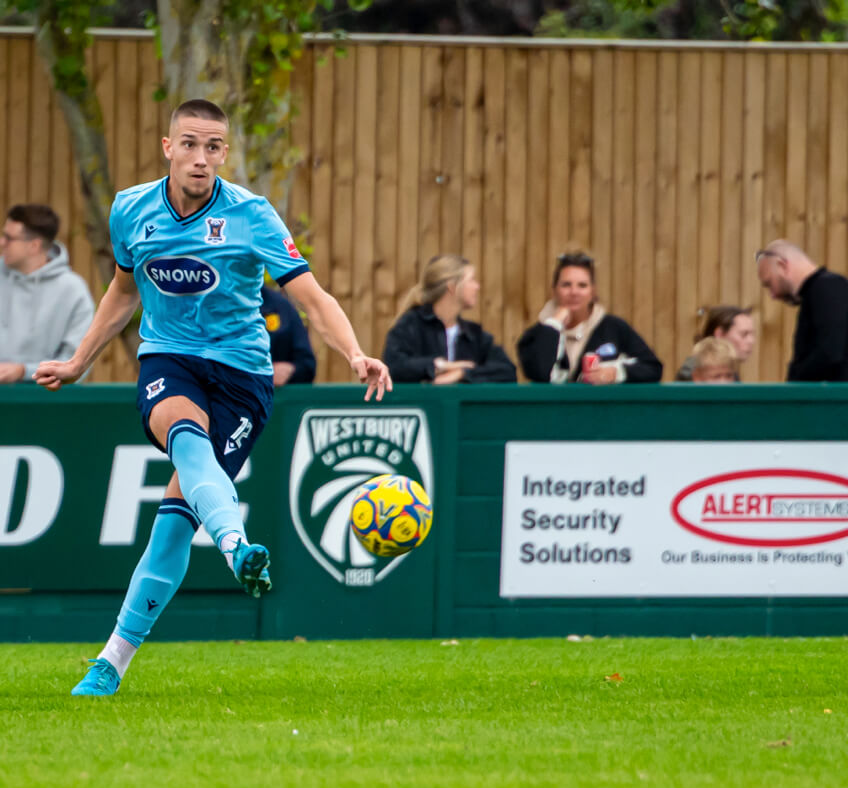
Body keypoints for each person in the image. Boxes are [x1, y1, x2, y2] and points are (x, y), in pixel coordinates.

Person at [34, 99, 391, 697]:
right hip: (168, 358)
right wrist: (78, 362)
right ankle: (234, 545)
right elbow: (123, 292)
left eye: (214, 147)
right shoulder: (131, 208)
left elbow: (314, 298)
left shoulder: (252, 215)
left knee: (172, 528)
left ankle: (112, 661)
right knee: (182, 432)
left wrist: (354, 353)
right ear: (167, 147)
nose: (202, 158)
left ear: (226, 152)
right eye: (191, 144)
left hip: (243, 379)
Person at [0, 204, 94, 384]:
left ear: (34, 246)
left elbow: (77, 362)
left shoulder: (74, 292)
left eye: (8, 238)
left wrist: (24, 372)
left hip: (48, 402)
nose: (1, 242)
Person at [517, 251, 662, 384]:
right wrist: (554, 325)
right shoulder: (535, 335)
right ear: (555, 290)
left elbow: (653, 368)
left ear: (592, 292)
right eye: (566, 285)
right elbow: (540, 372)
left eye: (582, 285)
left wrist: (615, 372)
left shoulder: (615, 328)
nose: (574, 292)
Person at [382, 254, 517, 384]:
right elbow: (394, 366)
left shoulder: (473, 334)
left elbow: (507, 370)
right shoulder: (411, 325)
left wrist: (463, 374)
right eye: (471, 279)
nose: (477, 286)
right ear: (452, 287)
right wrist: (439, 366)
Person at [756, 240, 848, 382]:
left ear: (782, 265)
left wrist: (795, 385)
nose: (773, 295)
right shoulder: (818, 291)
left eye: (769, 283)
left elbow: (830, 351)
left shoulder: (827, 287)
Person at [675, 305, 755, 382]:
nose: (751, 341)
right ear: (719, 334)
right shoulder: (689, 375)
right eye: (744, 334)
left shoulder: (730, 371)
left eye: (728, 376)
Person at [261, 283, 316, 385]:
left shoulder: (281, 307)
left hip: (275, 396)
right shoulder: (223, 305)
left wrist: (290, 370)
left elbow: (307, 365)